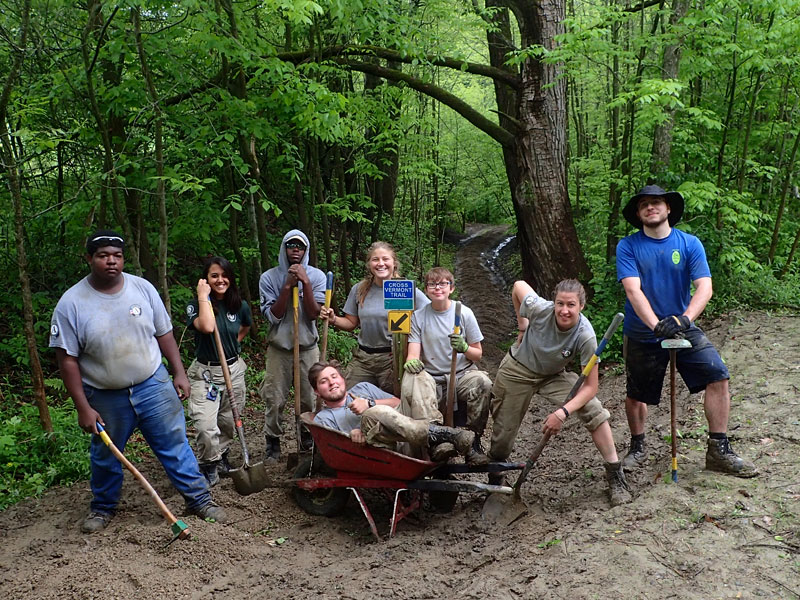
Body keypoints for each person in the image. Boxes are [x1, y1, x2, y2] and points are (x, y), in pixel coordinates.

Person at [49, 230, 226, 533]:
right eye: (103, 255)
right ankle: (103, 507)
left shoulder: (142, 289)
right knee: (106, 453)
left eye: (116, 256)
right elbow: (67, 359)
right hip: (105, 395)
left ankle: (199, 499)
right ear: (89, 258)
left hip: (153, 384)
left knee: (174, 443)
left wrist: (179, 372)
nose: (111, 261)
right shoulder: (71, 303)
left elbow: (164, 333)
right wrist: (82, 407)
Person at [616, 185, 757, 477]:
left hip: (683, 328)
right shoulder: (627, 246)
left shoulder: (689, 243)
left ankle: (718, 449)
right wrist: (656, 325)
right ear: (638, 213)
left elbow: (704, 287)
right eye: (644, 204)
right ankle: (638, 446)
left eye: (656, 202)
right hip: (643, 332)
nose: (650, 207)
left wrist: (684, 319)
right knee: (636, 393)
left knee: (718, 375)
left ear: (668, 209)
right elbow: (633, 290)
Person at [487, 279, 632, 506]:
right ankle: (495, 478)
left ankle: (615, 474)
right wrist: (522, 325)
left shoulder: (585, 335)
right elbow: (517, 285)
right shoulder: (539, 308)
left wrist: (562, 412)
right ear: (553, 303)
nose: (564, 310)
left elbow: (591, 387)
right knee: (503, 434)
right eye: (560, 304)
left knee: (593, 409)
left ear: (581, 306)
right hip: (517, 370)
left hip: (553, 375)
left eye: (571, 305)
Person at [402, 267, 490, 465]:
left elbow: (477, 353)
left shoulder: (464, 313)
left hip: (462, 374)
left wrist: (465, 347)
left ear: (451, 288)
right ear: (426, 290)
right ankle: (438, 440)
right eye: (432, 284)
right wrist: (411, 362)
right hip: (432, 377)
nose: (437, 288)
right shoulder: (418, 317)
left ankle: (473, 442)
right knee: (416, 381)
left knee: (483, 383)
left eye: (443, 284)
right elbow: (413, 354)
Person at [321, 241, 429, 394]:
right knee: (347, 398)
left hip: (393, 359)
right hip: (363, 358)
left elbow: (431, 315)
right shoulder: (359, 290)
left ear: (394, 263)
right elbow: (351, 323)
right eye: (375, 259)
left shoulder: (405, 289)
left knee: (395, 405)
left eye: (385, 259)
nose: (381, 264)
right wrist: (333, 319)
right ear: (369, 264)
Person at [310, 360, 474, 460]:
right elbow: (336, 451)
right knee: (372, 414)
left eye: (334, 376)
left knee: (416, 375)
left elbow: (397, 402)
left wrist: (369, 403)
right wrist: (351, 435)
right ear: (317, 392)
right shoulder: (323, 419)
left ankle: (435, 441)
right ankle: (443, 436)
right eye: (324, 381)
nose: (332, 383)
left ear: (342, 378)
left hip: (409, 437)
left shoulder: (363, 388)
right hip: (386, 451)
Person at [258, 229, 326, 461]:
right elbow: (273, 316)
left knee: (309, 397)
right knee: (275, 398)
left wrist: (305, 282)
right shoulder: (269, 278)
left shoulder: (317, 277)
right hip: (279, 348)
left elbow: (314, 314)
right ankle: (273, 440)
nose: (295, 250)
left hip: (307, 348)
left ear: (306, 250)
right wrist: (287, 285)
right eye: (291, 245)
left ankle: (307, 435)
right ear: (284, 248)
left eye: (300, 246)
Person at [185, 256, 252, 486]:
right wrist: (203, 297)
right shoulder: (196, 304)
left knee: (227, 422)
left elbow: (245, 326)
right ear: (206, 279)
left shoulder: (239, 305)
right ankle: (208, 465)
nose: (220, 280)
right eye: (214, 276)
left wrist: (235, 344)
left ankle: (221, 456)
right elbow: (207, 326)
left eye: (224, 276)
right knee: (205, 425)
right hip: (205, 374)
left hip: (233, 370)